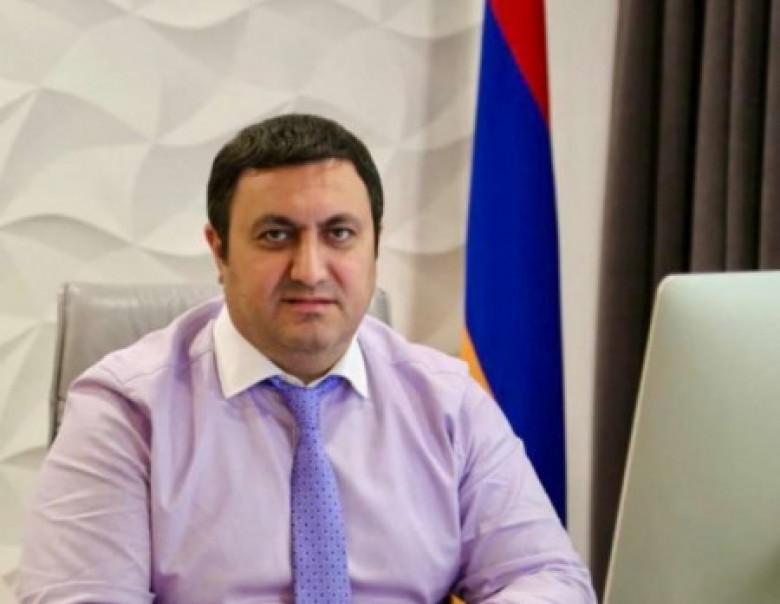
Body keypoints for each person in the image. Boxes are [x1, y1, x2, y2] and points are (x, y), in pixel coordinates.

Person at [18, 114, 596, 603]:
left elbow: (547, 578)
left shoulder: (447, 402)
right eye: (276, 235)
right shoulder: (126, 413)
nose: (310, 270)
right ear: (219, 251)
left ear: (374, 244)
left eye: (339, 233)